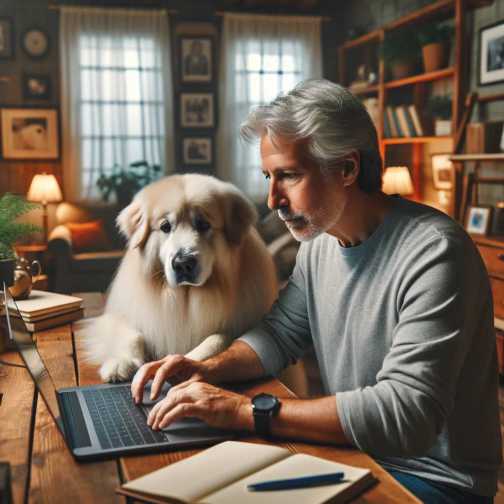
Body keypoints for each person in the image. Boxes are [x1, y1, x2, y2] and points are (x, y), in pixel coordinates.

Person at [131, 79, 502, 503]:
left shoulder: (436, 253)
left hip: (432, 482)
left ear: (347, 169)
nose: (272, 199)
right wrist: (205, 368)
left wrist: (241, 411)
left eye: (289, 175)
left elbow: (405, 414)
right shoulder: (319, 244)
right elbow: (279, 334)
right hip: (351, 457)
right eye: (269, 176)